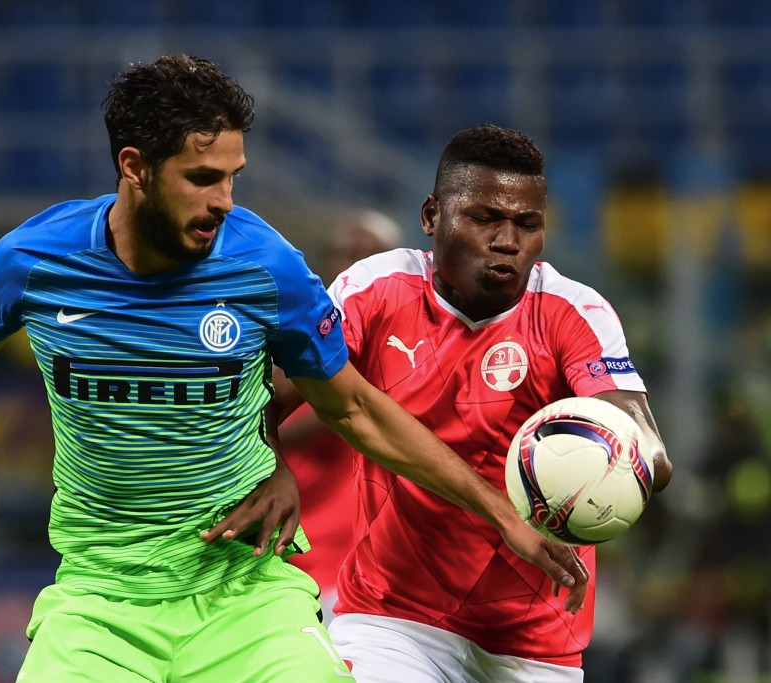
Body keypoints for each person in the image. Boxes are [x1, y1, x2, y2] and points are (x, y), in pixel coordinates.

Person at [0, 57, 588, 683]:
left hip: (243, 594)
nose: (224, 200)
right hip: (101, 601)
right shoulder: (35, 259)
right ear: (135, 166)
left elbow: (357, 409)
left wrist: (503, 515)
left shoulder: (263, 263)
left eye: (234, 175)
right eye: (203, 178)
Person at [273, 123, 673, 682]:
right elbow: (268, 397)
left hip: (537, 638)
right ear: (432, 215)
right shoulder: (376, 289)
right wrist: (270, 465)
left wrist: (628, 464)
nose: (508, 240)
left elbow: (641, 440)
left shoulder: (573, 312)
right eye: (485, 218)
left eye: (526, 224)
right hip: (393, 617)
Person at [282, 209, 403, 622]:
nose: (351, 266)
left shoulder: (403, 351)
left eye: (369, 256)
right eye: (343, 253)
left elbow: (354, 409)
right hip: (289, 564)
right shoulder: (293, 340)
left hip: (363, 577)